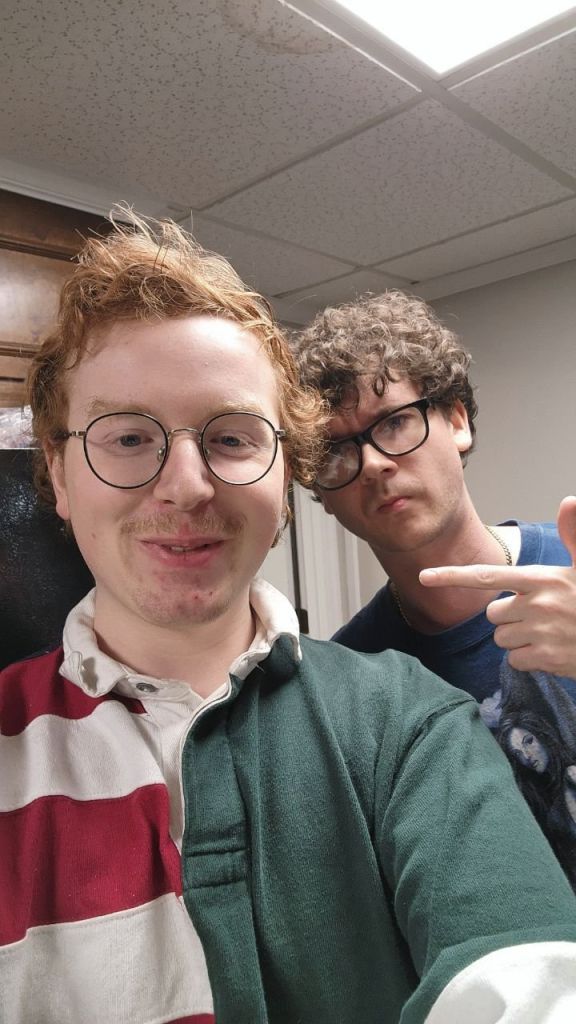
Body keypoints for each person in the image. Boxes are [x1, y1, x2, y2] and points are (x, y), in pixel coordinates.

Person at [2, 219, 576, 1024]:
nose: (186, 485)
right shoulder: (373, 655)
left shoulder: (402, 717)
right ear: (58, 476)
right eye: (127, 437)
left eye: (231, 437)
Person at [294, 290, 576, 883]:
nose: (374, 464)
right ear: (321, 494)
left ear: (456, 421)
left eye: (395, 422)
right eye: (337, 451)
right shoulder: (350, 680)